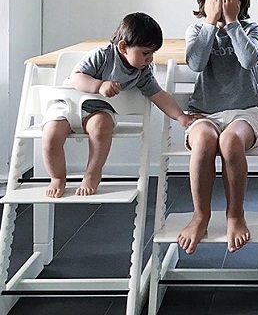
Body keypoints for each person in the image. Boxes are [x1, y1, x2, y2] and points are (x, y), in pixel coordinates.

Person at [42, 12, 193, 198]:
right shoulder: (102, 56)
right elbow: (77, 77)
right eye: (145, 53)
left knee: (102, 127)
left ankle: (92, 173)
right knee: (51, 135)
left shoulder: (142, 72)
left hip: (98, 110)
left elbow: (158, 95)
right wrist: (99, 85)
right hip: (68, 105)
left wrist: (181, 116)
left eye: (152, 53)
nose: (150, 59)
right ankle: (57, 177)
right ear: (123, 47)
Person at [177, 0, 258, 255]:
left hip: (242, 112)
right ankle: (200, 216)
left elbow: (249, 60)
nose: (222, 3)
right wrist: (211, 23)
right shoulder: (196, 30)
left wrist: (233, 22)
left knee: (230, 141)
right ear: (205, 1)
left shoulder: (250, 29)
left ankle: (235, 215)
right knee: (203, 140)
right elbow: (196, 63)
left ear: (240, 1)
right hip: (204, 113)